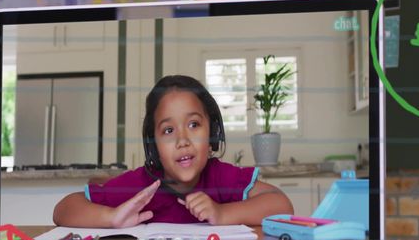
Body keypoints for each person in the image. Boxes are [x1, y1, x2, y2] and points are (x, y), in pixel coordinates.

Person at [53, 75, 293, 227]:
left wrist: (221, 213)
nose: (182, 140)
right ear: (153, 144)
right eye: (168, 130)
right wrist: (112, 217)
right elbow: (64, 208)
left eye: (194, 125)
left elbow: (281, 204)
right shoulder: (140, 187)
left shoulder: (221, 177)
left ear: (212, 133)